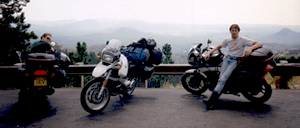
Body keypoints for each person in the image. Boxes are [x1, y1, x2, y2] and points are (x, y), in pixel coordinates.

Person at [203, 24, 263, 110]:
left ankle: (211, 102)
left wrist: (250, 49)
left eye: (236, 30)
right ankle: (213, 100)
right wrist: (209, 53)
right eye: (232, 30)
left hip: (235, 61)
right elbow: (219, 46)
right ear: (230, 31)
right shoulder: (228, 40)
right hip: (227, 59)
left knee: (223, 79)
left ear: (238, 31)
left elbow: (259, 43)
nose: (234, 32)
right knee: (221, 79)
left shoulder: (242, 39)